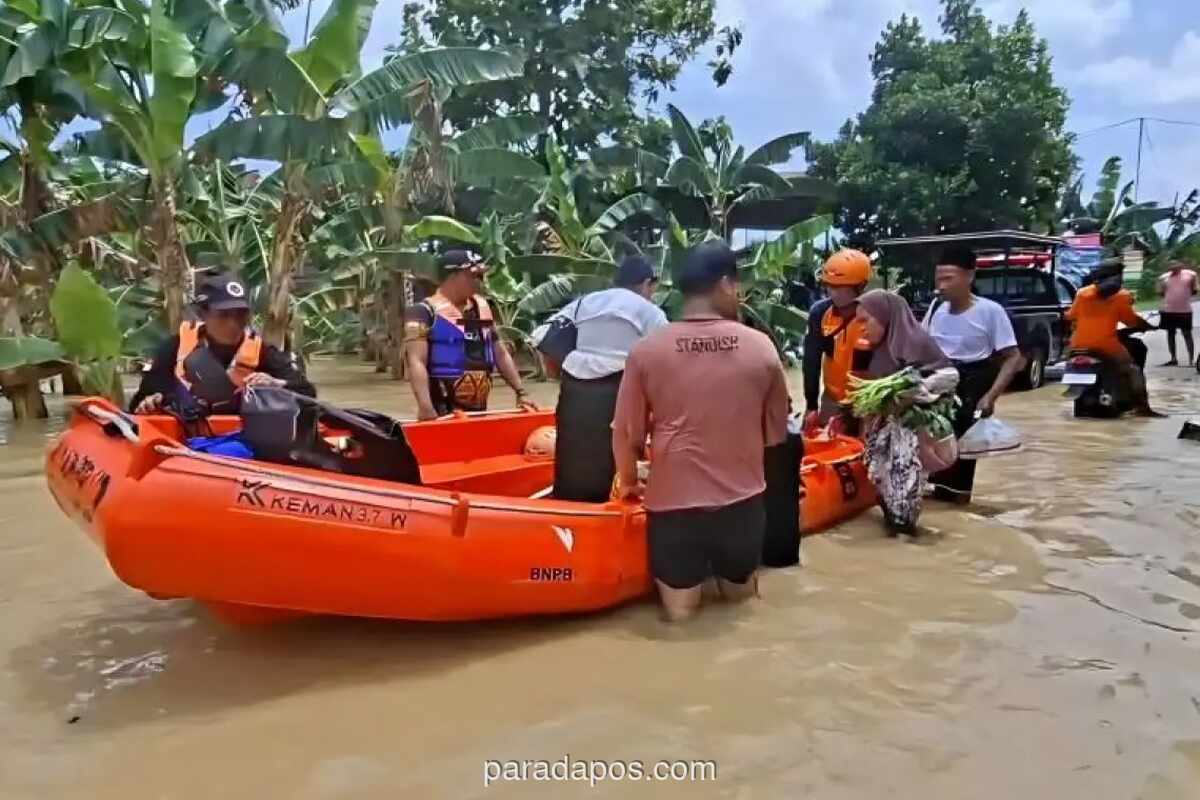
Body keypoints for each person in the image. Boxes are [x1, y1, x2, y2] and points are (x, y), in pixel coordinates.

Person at [612, 241, 790, 622]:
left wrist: (628, 481)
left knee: (679, 622)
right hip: (742, 504)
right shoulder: (761, 348)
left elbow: (627, 434)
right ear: (726, 285)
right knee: (742, 610)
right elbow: (777, 437)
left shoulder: (647, 350)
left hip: (673, 506)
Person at [546, 255, 668, 502]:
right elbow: (665, 358)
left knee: (573, 450)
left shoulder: (585, 302)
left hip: (574, 389)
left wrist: (561, 370)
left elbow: (546, 338)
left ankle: (569, 507)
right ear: (647, 284)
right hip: (619, 386)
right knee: (616, 455)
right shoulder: (650, 311)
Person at [921, 247, 1024, 503]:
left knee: (962, 450)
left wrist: (991, 396)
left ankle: (957, 502)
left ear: (969, 277)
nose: (941, 286)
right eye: (938, 280)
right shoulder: (936, 308)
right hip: (939, 382)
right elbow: (921, 344)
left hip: (972, 384)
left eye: (948, 279)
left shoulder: (990, 311)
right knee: (934, 442)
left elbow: (1013, 357)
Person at [129, 272, 315, 414]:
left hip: (237, 440)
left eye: (240, 314)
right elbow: (139, 403)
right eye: (224, 315)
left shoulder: (262, 352)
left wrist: (277, 384)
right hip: (186, 437)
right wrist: (152, 401)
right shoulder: (174, 348)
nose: (233, 324)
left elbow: (308, 393)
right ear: (203, 314)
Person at [853, 290, 954, 535]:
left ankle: (905, 541)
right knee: (883, 486)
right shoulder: (873, 351)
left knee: (904, 493)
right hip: (884, 429)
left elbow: (950, 376)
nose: (862, 328)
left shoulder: (916, 343)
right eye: (858, 322)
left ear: (886, 317)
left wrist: (920, 390)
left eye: (866, 321)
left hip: (911, 431)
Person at [403, 250, 535, 421]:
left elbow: (499, 353)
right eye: (473, 276)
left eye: (481, 276)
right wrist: (425, 406)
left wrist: (521, 392)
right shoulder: (423, 312)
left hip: (479, 410)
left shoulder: (480, 309)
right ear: (452, 277)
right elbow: (416, 361)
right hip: (441, 410)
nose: (480, 282)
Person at [1066, 258, 1164, 417]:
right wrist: (1146, 326)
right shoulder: (1121, 296)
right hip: (1107, 345)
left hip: (1078, 345)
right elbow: (1130, 320)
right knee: (1133, 370)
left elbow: (1070, 316)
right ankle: (1143, 408)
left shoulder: (1082, 294)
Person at [803, 249, 872, 430]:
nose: (833, 293)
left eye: (840, 287)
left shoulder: (876, 313)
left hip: (868, 401)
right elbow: (811, 360)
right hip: (832, 400)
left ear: (860, 286)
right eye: (829, 286)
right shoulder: (819, 313)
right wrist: (811, 405)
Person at [1158, 260, 1197, 367]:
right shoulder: (1164, 278)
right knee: (1170, 334)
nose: (1173, 268)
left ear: (1181, 266)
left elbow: (1194, 290)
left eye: (1175, 266)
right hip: (1168, 310)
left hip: (1185, 310)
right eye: (1170, 266)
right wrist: (1161, 307)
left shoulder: (1190, 274)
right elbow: (1161, 293)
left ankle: (1191, 359)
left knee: (1187, 334)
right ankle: (1173, 358)